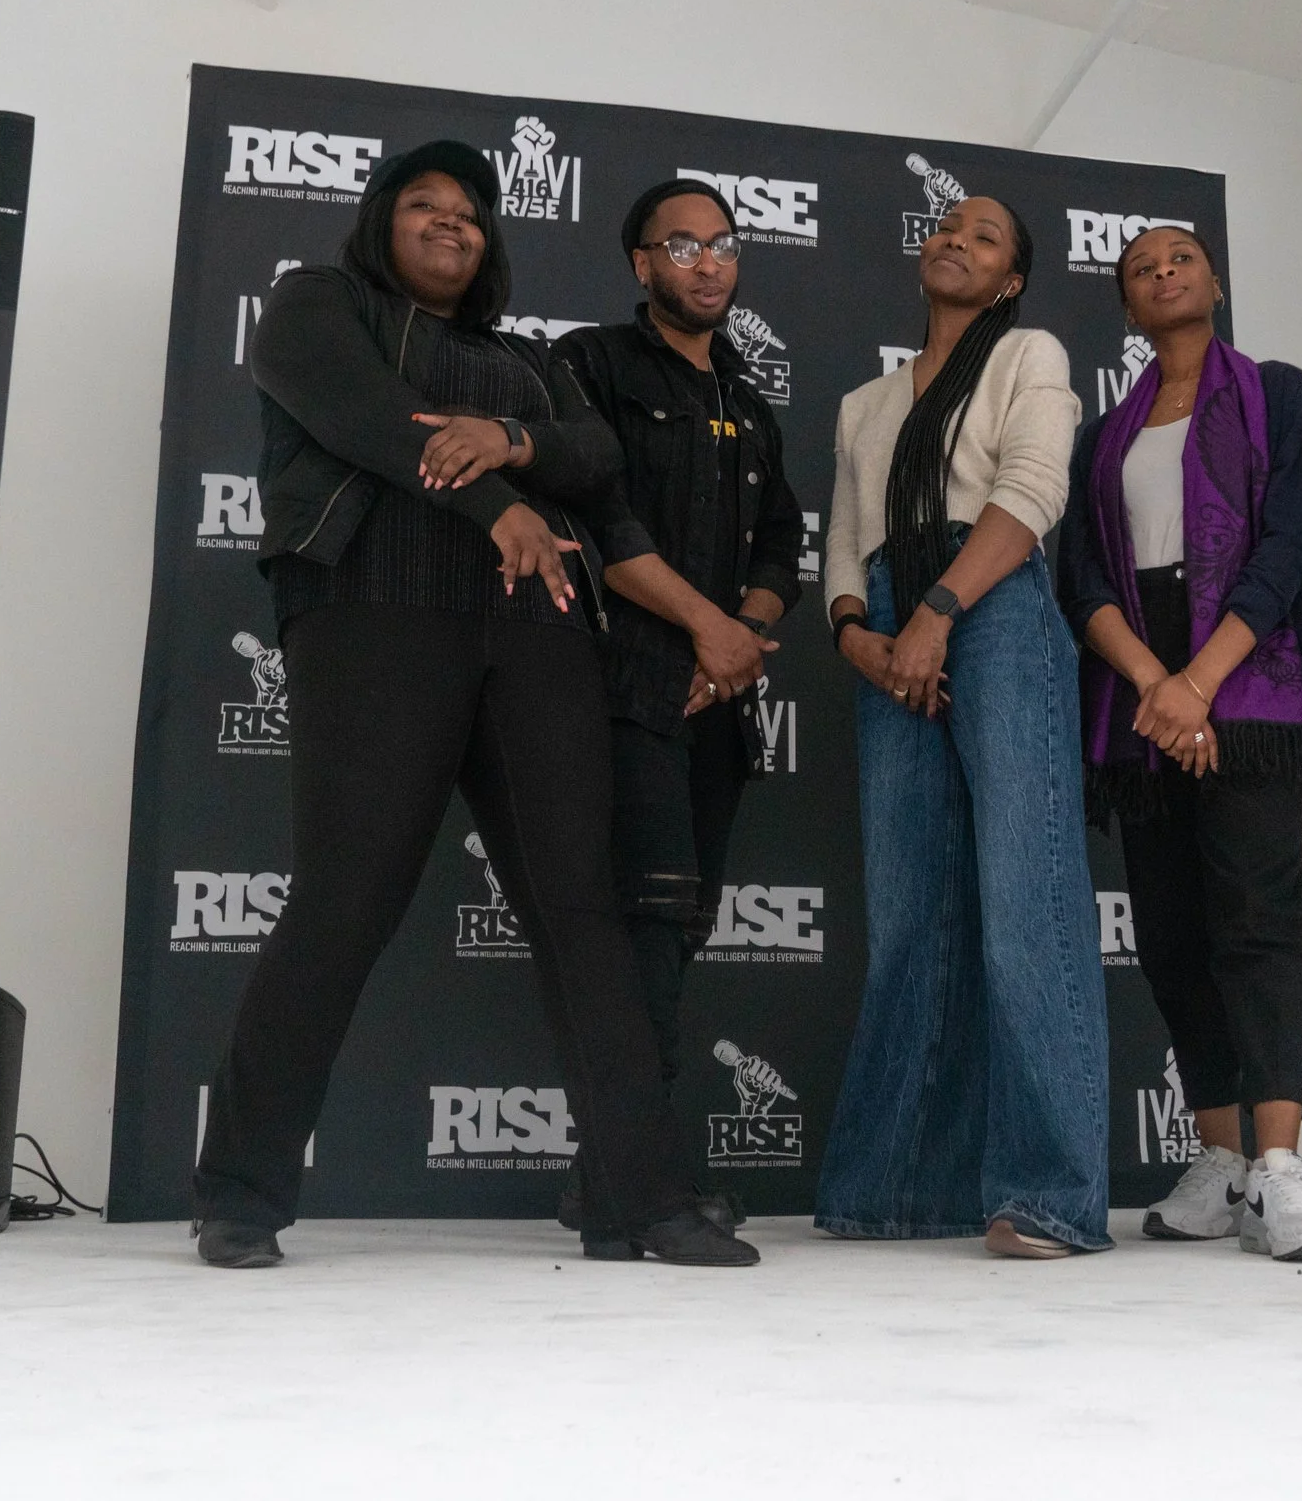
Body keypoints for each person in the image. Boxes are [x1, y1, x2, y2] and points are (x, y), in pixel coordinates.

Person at [191, 140, 757, 1270]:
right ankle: (240, 1194)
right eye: (426, 204)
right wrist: (497, 503)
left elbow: (595, 456)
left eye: (471, 211)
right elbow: (365, 411)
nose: (453, 221)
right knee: (345, 899)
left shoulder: (525, 358)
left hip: (536, 637)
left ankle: (638, 1200)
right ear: (379, 220)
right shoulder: (318, 304)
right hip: (374, 616)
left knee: (579, 909)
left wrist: (510, 437)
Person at [816, 194, 1112, 1259]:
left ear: (1011, 278)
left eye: (985, 236)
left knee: (1025, 896)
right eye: (947, 226)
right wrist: (857, 632)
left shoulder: (1029, 353)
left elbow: (1031, 489)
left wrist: (939, 612)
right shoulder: (862, 402)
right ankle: (899, 1187)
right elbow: (843, 539)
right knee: (911, 910)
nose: (956, 239)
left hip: (989, 600)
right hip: (891, 614)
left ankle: (1050, 1194)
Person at [1055, 225, 1302, 1263]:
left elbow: (1292, 545)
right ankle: (1220, 1159)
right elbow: (1082, 575)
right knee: (1172, 927)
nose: (1163, 272)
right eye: (1141, 268)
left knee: (1260, 912)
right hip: (1140, 684)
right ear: (1127, 307)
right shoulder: (1102, 434)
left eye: (1179, 258)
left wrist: (1201, 681)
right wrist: (1154, 683)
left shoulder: (1277, 391)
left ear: (1214, 282)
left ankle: (1281, 1162)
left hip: (1246, 673)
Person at [549, 178, 805, 1230]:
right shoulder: (589, 363)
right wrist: (709, 628)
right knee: (640, 928)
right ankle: (635, 1179)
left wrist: (738, 638)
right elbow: (595, 521)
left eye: (724, 244)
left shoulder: (748, 397)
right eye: (684, 244)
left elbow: (779, 541)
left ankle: (611, 1171)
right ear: (641, 262)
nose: (708, 262)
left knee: (678, 929)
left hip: (717, 702)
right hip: (619, 690)